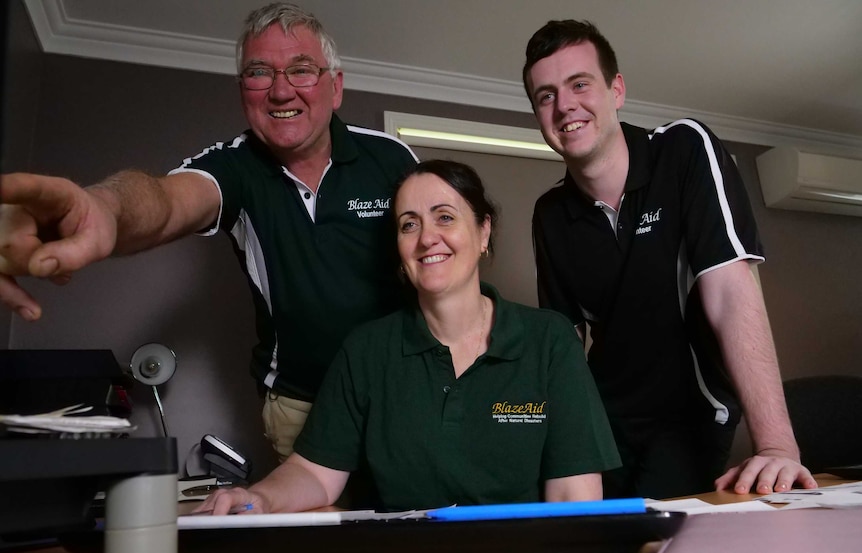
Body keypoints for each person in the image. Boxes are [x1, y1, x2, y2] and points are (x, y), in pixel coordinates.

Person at [0, 3, 417, 461]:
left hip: (400, 389)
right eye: (260, 73)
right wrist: (103, 207)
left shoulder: (391, 158)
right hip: (301, 406)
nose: (280, 91)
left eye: (301, 70)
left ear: (334, 87)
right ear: (243, 92)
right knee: (318, 530)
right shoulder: (235, 165)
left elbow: (436, 256)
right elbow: (166, 200)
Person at [197, 159, 621, 514]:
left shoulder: (549, 342)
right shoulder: (366, 350)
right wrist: (257, 498)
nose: (426, 238)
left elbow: (573, 497)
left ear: (483, 232)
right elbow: (315, 473)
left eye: (446, 217)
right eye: (408, 224)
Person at [522, 20, 817, 499]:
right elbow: (564, 343)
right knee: (586, 542)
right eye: (546, 96)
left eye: (580, 84)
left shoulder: (682, 149)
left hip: (687, 415)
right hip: (603, 414)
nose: (565, 106)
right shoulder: (550, 214)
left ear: (616, 89)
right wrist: (550, 442)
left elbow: (729, 290)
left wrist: (778, 444)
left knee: (656, 540)